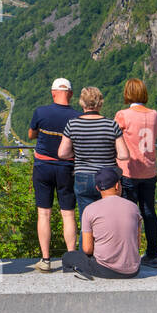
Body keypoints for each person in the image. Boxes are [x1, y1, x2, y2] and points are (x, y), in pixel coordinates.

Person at [26, 78, 81, 272]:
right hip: (66, 167)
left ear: (53, 92)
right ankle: (72, 259)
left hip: (43, 166)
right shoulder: (78, 116)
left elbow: (31, 135)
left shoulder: (41, 112)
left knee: (44, 213)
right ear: (71, 94)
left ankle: (46, 259)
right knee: (68, 213)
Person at [59, 87, 127, 219]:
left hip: (83, 176)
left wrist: (76, 153)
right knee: (109, 221)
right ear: (100, 103)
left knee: (87, 223)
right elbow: (124, 155)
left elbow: (62, 153)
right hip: (108, 177)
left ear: (81, 103)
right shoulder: (111, 125)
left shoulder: (72, 124)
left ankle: (85, 241)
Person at [62, 168, 142, 280]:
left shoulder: (90, 210)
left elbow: (87, 249)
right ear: (117, 186)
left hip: (105, 270)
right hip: (133, 270)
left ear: (98, 188)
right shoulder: (134, 207)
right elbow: (137, 245)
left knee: (68, 257)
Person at [114, 78, 157, 269]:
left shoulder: (123, 115)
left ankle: (129, 254)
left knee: (128, 214)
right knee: (149, 211)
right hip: (149, 171)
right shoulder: (154, 114)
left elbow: (114, 137)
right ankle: (152, 254)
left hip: (129, 171)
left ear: (127, 93)